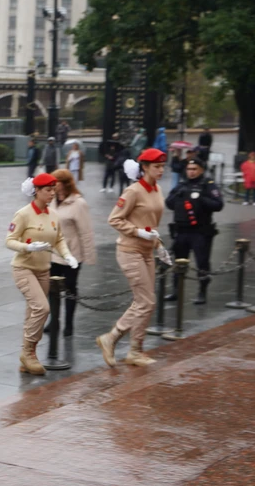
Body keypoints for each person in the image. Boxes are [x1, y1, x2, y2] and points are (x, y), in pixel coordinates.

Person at [95, 148, 170, 367]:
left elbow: (152, 222)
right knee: (146, 301)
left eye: (163, 166)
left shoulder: (157, 189)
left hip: (147, 250)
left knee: (144, 302)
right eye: (157, 166)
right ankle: (111, 338)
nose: (161, 170)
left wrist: (159, 245)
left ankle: (135, 350)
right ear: (144, 167)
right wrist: (137, 232)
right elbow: (114, 219)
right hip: (129, 251)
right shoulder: (133, 191)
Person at [6, 173, 77, 375]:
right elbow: (9, 240)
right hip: (23, 268)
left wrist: (68, 255)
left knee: (32, 313)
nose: (52, 194)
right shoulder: (23, 214)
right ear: (36, 191)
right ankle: (28, 353)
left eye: (54, 190)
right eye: (48, 190)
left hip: (43, 270)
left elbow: (59, 239)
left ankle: (28, 356)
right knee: (42, 308)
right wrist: (28, 247)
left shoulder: (53, 215)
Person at [164, 157, 224, 304]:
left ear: (201, 170)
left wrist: (200, 199)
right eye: (189, 169)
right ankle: (176, 291)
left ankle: (202, 292)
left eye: (194, 169)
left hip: (200, 232)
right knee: (179, 262)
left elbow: (218, 204)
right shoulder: (181, 185)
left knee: (202, 263)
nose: (191, 172)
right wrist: (179, 196)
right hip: (181, 231)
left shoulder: (207, 185)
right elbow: (169, 203)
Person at [51, 169, 96, 336]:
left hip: (72, 254)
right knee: (52, 288)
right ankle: (54, 320)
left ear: (65, 183)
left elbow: (86, 231)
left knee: (70, 288)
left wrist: (88, 256)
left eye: (56, 182)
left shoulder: (79, 203)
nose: (52, 185)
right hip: (53, 252)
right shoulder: (51, 201)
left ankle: (69, 324)